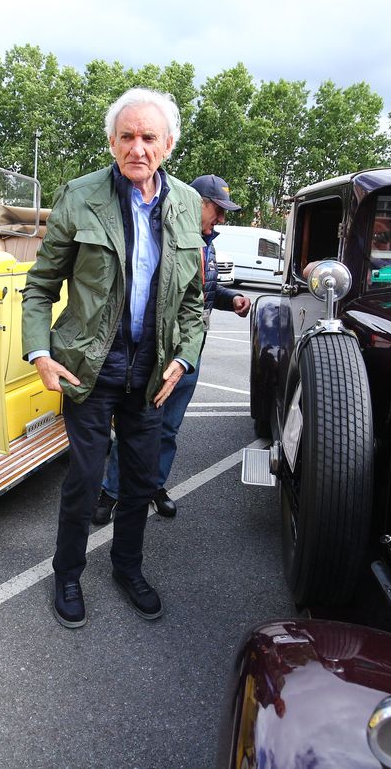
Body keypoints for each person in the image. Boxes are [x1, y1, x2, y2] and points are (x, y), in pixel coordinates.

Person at [22, 88, 205, 629]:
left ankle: (127, 567)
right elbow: (39, 287)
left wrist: (184, 358)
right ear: (112, 141)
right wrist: (39, 352)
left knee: (142, 478)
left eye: (149, 137)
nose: (138, 148)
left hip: (153, 372)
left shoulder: (188, 204)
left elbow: (193, 299)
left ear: (168, 144)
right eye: (127, 136)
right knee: (83, 477)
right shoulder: (79, 197)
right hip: (88, 367)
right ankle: (69, 573)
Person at [93, 174, 250, 525]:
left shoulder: (206, 244)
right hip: (158, 356)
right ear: (195, 203)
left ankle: (153, 485)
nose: (221, 219)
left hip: (189, 357)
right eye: (217, 209)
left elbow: (201, 293)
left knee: (168, 430)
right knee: (136, 428)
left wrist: (232, 299)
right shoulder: (161, 236)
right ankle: (112, 490)